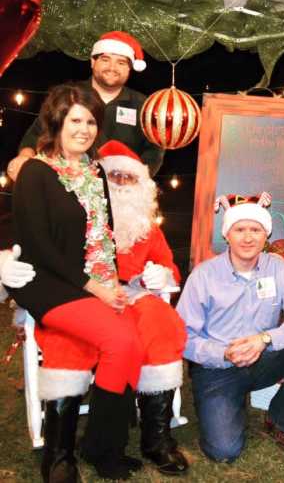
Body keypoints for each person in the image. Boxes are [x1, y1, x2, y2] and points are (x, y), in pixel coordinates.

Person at [6, 83, 145, 482]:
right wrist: (95, 289)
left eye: (90, 121)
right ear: (56, 122)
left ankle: (103, 446)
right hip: (47, 282)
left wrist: (112, 284)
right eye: (75, 121)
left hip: (90, 280)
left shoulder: (94, 170)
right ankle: (58, 455)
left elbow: (103, 234)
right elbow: (39, 246)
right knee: (120, 341)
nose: (84, 129)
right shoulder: (35, 171)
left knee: (131, 340)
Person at [176, 193, 284, 462]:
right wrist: (223, 353)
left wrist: (265, 338)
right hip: (217, 367)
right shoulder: (203, 276)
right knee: (224, 452)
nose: (247, 237)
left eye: (255, 230)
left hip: (262, 357)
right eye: (239, 229)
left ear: (265, 235)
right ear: (227, 235)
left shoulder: (277, 269)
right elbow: (182, 336)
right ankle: (228, 403)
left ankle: (281, 420)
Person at [98, 139, 189, 475]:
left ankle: (157, 437)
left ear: (141, 184)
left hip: (137, 297)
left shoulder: (148, 228)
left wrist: (160, 272)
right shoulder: (83, 218)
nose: (121, 184)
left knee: (162, 322)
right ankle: (109, 427)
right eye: (115, 176)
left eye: (129, 178)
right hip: (93, 298)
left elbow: (170, 267)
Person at [7, 31, 164, 180]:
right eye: (105, 59)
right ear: (92, 62)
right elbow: (36, 135)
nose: (112, 68)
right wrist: (24, 157)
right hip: (67, 185)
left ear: (129, 68)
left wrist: (135, 181)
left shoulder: (144, 106)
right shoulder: (68, 95)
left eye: (121, 62)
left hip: (120, 193)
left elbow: (154, 153)